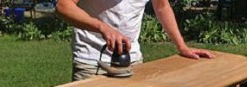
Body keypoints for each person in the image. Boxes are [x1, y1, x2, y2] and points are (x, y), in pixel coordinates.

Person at [56, 0, 215, 81]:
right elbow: (63, 6)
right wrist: (102, 27)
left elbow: (162, 6)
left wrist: (182, 46)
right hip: (91, 62)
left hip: (132, 61)